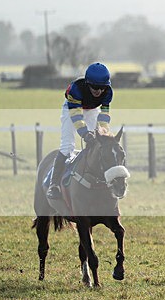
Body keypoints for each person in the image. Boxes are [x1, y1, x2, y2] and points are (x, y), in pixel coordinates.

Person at [46, 62, 114, 200]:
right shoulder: (76, 89)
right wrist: (85, 134)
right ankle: (54, 185)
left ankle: (99, 179)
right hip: (71, 109)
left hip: (92, 110)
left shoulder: (108, 92)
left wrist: (104, 132)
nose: (99, 91)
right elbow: (76, 116)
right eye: (95, 87)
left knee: (98, 143)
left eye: (102, 87)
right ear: (88, 84)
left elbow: (104, 115)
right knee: (67, 146)